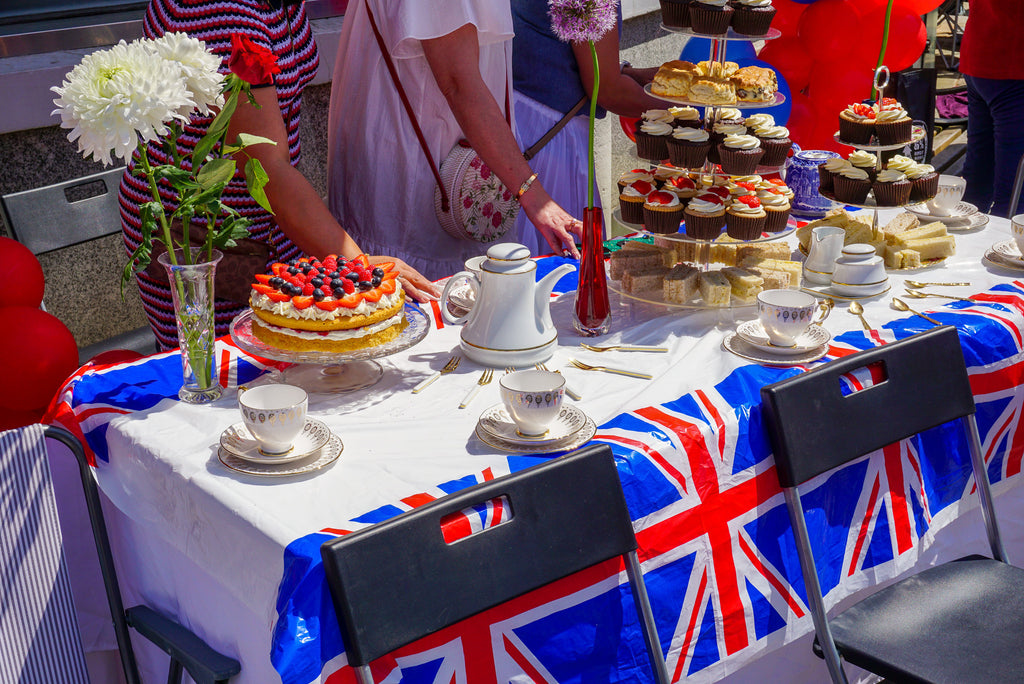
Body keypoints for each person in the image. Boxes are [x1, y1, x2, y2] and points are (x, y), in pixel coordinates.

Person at [120, 0, 437, 351]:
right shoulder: (228, 16)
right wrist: (358, 267)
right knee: (227, 375)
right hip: (200, 238)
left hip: (264, 222)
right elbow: (265, 166)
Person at [325, 0, 583, 281]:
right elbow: (459, 83)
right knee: (432, 302)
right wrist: (535, 197)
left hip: (436, 157)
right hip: (419, 168)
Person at [511, 0, 662, 256]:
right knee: (563, 261)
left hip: (522, 117)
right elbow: (608, 91)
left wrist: (628, 73)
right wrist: (696, 104)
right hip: (551, 137)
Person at [959, 0, 1024, 218]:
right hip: (1010, 62)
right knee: (1014, 190)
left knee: (979, 172)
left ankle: (963, 242)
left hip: (982, 53)